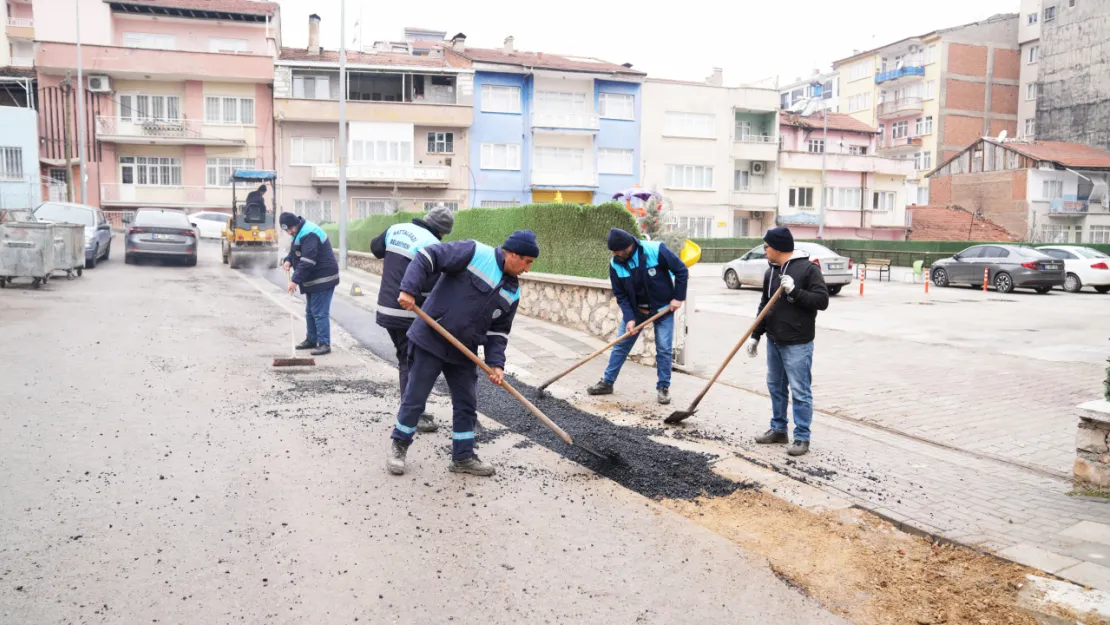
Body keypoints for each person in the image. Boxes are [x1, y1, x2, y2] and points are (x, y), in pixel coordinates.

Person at [387, 230, 539, 477]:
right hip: (431, 339)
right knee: (415, 398)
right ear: (513, 255)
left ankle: (463, 457)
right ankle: (399, 447)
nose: (528, 269)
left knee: (467, 403)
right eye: (527, 262)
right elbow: (427, 256)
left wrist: (496, 364)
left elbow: (498, 332)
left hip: (464, 351)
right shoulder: (474, 252)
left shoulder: (513, 291)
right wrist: (409, 289)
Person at [370, 205, 456, 434]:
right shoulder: (433, 244)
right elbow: (432, 285)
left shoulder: (395, 229)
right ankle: (411, 414)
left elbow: (375, 249)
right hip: (408, 311)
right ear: (443, 231)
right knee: (413, 362)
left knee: (404, 359)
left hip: (386, 308)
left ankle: (410, 410)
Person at [747, 227, 829, 456]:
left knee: (800, 391)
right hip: (774, 340)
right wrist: (756, 335)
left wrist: (794, 292)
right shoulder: (770, 272)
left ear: (779, 247)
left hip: (797, 343)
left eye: (766, 247)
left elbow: (822, 301)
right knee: (775, 387)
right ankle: (778, 429)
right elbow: (765, 305)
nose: (764, 251)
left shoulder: (808, 269)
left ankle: (802, 437)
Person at [587, 228, 687, 405]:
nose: (615, 254)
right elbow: (621, 294)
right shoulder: (615, 263)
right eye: (613, 251)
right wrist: (630, 318)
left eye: (617, 250)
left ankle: (663, 388)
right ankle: (607, 383)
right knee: (620, 346)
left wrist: (678, 297)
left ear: (628, 246)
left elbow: (681, 271)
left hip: (663, 310)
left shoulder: (655, 250)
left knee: (663, 349)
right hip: (636, 311)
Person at [280, 212, 340, 357]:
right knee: (310, 311)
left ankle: (324, 343)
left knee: (319, 312)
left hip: (323, 277)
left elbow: (308, 261)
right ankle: (312, 340)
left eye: (289, 229)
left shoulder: (309, 233)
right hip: (313, 278)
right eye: (286, 230)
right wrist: (288, 259)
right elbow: (295, 250)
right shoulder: (299, 231)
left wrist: (294, 280)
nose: (289, 232)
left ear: (295, 223)